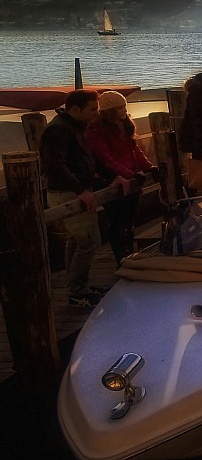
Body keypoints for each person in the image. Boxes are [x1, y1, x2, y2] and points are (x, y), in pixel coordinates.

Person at [40, 89, 130, 307]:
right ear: (75, 109)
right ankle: (77, 291)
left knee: (77, 239)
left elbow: (88, 159)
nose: (96, 113)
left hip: (72, 190)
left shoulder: (74, 127)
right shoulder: (59, 130)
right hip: (67, 193)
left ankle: (78, 285)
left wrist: (114, 176)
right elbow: (55, 165)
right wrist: (80, 190)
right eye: (92, 109)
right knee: (89, 241)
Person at [86, 91, 157, 265]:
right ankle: (121, 258)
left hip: (131, 178)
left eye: (124, 106)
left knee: (130, 220)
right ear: (110, 111)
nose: (124, 110)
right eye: (120, 107)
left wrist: (149, 167)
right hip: (111, 180)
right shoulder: (97, 131)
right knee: (117, 222)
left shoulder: (125, 126)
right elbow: (106, 158)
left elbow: (134, 151)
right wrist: (130, 174)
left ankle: (130, 254)